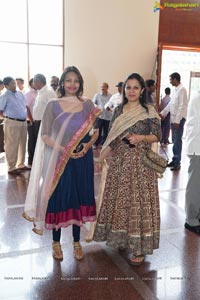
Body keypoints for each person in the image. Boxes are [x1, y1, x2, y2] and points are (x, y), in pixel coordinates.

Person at [22, 66, 101, 261]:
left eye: (76, 81)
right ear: (62, 83)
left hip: (82, 160)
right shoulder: (53, 104)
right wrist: (61, 148)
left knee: (79, 197)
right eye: (69, 80)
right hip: (59, 160)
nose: (72, 84)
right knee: (59, 197)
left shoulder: (88, 104)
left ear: (80, 83)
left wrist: (86, 147)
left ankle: (76, 242)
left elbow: (96, 132)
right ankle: (56, 243)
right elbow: (45, 134)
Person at [93, 72, 161, 266]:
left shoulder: (148, 110)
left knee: (139, 204)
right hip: (121, 162)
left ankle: (139, 247)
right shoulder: (118, 110)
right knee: (121, 201)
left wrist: (141, 138)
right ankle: (122, 238)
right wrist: (101, 157)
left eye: (135, 88)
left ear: (141, 91)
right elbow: (112, 137)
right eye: (128, 87)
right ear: (124, 90)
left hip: (141, 163)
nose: (131, 91)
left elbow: (157, 135)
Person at [0, 77, 30, 174]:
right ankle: (11, 167)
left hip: (23, 121)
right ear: (6, 86)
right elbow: (0, 110)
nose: (14, 85)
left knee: (23, 143)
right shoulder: (4, 95)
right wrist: (7, 117)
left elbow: (24, 106)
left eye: (14, 83)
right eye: (12, 83)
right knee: (11, 144)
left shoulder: (20, 94)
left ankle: (20, 164)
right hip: (12, 122)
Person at [160, 72, 188, 171]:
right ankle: (174, 159)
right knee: (174, 140)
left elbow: (182, 106)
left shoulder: (182, 90)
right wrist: (163, 113)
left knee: (177, 141)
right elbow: (171, 104)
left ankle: (177, 163)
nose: (170, 81)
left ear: (175, 79)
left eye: (171, 79)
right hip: (173, 119)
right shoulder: (175, 90)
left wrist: (177, 121)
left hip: (178, 120)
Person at [184, 91, 200, 234]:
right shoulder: (198, 98)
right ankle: (191, 220)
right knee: (195, 186)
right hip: (197, 148)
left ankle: (197, 215)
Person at [32, 73, 56, 142]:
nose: (33, 84)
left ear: (38, 82)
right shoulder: (40, 92)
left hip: (44, 124)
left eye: (34, 82)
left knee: (44, 145)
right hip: (37, 123)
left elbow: (54, 109)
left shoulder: (49, 92)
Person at [92, 82, 112, 147]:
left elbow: (112, 105)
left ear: (107, 88)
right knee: (97, 131)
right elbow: (93, 104)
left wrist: (110, 108)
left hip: (108, 116)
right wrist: (97, 108)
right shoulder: (97, 95)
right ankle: (96, 144)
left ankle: (103, 144)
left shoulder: (110, 96)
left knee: (106, 131)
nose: (102, 88)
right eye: (101, 87)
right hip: (99, 116)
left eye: (104, 87)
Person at [24, 78, 37, 166]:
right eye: (36, 82)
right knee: (32, 140)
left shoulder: (37, 93)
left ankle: (35, 159)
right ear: (32, 83)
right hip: (31, 121)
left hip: (37, 121)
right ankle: (31, 160)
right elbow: (27, 107)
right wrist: (31, 120)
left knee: (36, 140)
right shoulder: (29, 93)